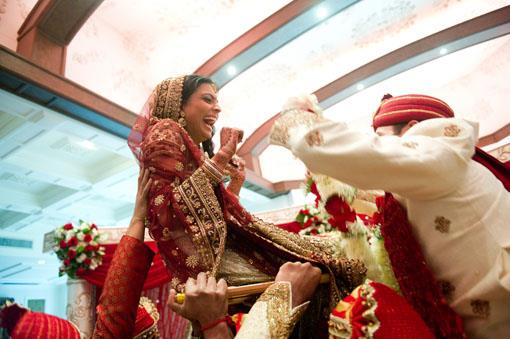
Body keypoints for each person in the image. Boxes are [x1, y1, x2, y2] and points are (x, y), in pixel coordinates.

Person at [127, 75, 367, 336]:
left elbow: (214, 220)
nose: (217, 108)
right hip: (210, 267)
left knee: (330, 253)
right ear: (179, 105)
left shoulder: (182, 144)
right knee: (333, 259)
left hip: (216, 258)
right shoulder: (165, 130)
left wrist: (236, 182)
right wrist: (222, 155)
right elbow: (173, 212)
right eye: (207, 99)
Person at [269, 93, 510, 338]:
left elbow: (357, 154)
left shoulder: (437, 150)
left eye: (380, 137)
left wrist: (297, 117)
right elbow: (366, 188)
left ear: (413, 128)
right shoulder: (438, 167)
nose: (377, 143)